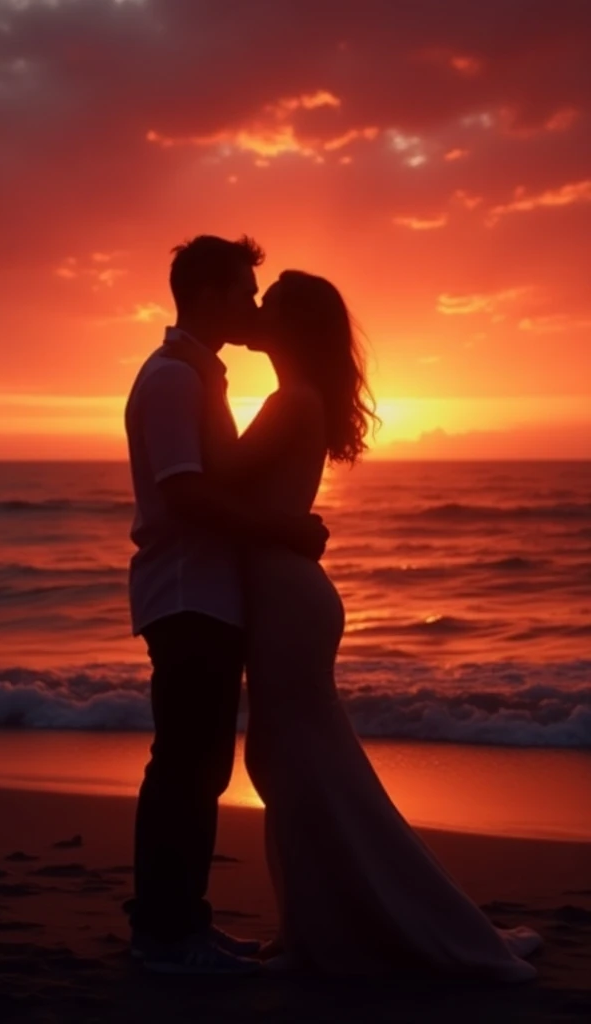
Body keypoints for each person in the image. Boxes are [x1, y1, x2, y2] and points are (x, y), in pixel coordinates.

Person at [208, 269, 543, 980]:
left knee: (296, 766)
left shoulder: (290, 402)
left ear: (292, 326)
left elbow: (210, 478)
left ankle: (325, 937)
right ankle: (314, 929)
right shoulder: (297, 400)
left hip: (288, 600)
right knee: (292, 764)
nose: (257, 310)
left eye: (270, 305)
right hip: (288, 596)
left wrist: (196, 386)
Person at [123, 238, 328, 975]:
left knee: (199, 765)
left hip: (207, 593)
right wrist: (285, 530)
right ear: (207, 294)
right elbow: (185, 493)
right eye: (243, 291)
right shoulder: (177, 377)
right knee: (184, 765)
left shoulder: (197, 376)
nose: (252, 303)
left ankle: (184, 925)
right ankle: (164, 935)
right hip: (186, 592)